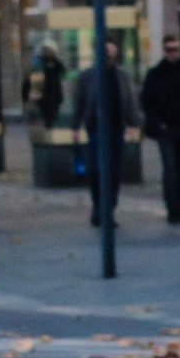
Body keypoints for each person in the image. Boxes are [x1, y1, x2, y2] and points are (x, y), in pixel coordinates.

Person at [139, 33, 180, 225]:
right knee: (170, 169)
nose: (172, 53)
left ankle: (179, 207)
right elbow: (146, 101)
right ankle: (172, 208)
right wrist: (158, 123)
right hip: (165, 128)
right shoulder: (155, 74)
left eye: (175, 49)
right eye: (169, 50)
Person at [79, 37, 137, 228]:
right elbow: (81, 100)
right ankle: (98, 207)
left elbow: (127, 100)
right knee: (96, 170)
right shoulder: (88, 75)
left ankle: (109, 209)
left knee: (113, 171)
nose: (108, 55)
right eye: (104, 51)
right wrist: (75, 125)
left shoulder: (120, 75)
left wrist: (133, 123)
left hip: (115, 128)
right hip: (96, 128)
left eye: (111, 51)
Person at [33, 45, 67, 131]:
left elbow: (63, 71)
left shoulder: (56, 62)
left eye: (50, 52)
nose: (48, 54)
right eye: (46, 52)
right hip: (44, 90)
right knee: (46, 111)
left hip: (54, 90)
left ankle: (51, 124)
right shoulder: (40, 63)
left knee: (54, 110)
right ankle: (48, 125)